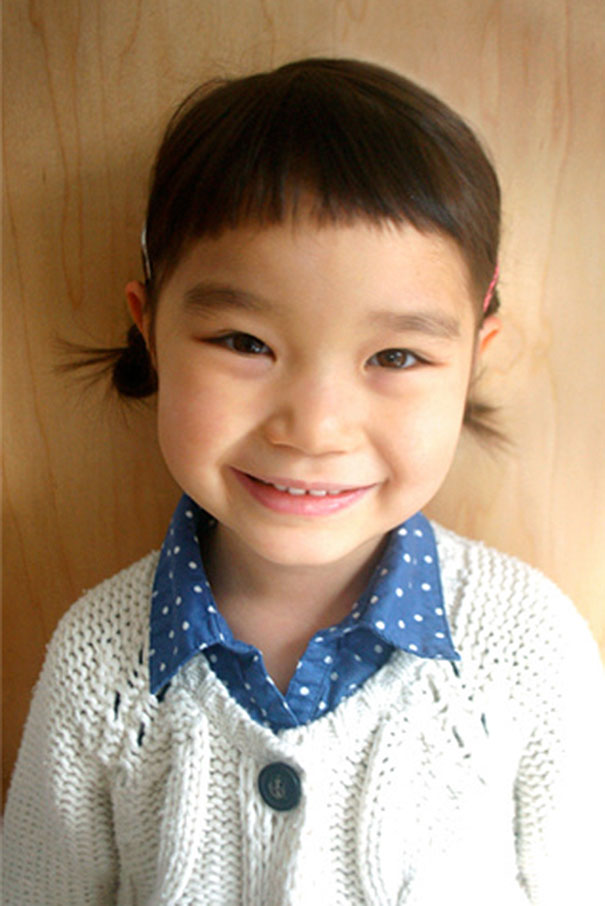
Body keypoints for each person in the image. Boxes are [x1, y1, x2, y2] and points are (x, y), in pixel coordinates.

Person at [4, 57, 604, 906]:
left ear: (474, 359)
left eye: (395, 356)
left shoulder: (526, 644)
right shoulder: (97, 662)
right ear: (150, 329)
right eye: (244, 343)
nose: (314, 429)